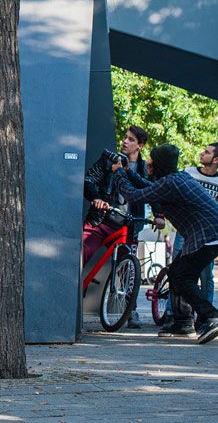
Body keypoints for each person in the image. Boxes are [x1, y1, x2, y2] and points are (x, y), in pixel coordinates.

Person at [113, 144, 218, 344]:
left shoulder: (171, 183)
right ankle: (183, 324)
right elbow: (147, 186)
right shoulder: (177, 178)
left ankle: (212, 317)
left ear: (159, 163)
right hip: (210, 233)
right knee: (177, 273)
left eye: (152, 159)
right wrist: (127, 173)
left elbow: (134, 195)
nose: (148, 162)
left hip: (209, 235)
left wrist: (118, 175)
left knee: (182, 277)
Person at [82, 126, 151, 329]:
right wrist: (96, 198)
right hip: (100, 221)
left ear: (140, 145)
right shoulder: (109, 160)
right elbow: (89, 180)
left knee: (129, 269)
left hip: (128, 224)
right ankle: (70, 296)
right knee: (82, 252)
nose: (125, 141)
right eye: (124, 138)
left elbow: (153, 189)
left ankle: (131, 311)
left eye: (130, 139)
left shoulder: (144, 168)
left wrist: (160, 216)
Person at [164, 143, 218, 325]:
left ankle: (204, 316)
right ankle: (173, 311)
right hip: (185, 230)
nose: (202, 153)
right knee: (176, 268)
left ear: (216, 159)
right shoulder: (189, 172)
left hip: (206, 233)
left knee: (205, 274)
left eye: (207, 152)